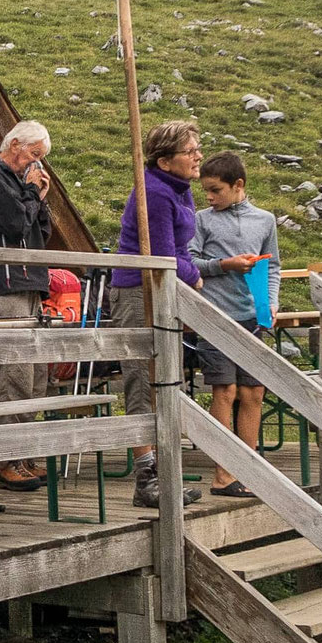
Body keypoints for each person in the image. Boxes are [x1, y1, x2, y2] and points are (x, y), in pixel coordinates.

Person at [105, 121, 206, 508]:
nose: (198, 156)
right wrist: (194, 278)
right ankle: (146, 477)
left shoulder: (180, 191)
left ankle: (166, 473)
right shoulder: (155, 194)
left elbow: (180, 251)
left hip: (162, 288)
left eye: (198, 148)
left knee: (167, 378)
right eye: (189, 151)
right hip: (137, 288)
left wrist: (192, 274)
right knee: (144, 380)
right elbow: (163, 254)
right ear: (165, 161)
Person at [0, 121, 54, 492]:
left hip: (28, 283)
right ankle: (8, 459)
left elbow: (39, 232)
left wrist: (39, 198)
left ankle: (24, 452)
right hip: (5, 286)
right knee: (15, 376)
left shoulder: (19, 185)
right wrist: (32, 192)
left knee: (34, 379)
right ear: (14, 145)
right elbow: (15, 223)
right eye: (34, 156)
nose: (35, 165)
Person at [190, 151, 282, 498]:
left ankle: (249, 469)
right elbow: (189, 262)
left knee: (253, 392)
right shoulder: (202, 220)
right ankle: (223, 473)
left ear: (238, 185)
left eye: (215, 190)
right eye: (206, 192)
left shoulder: (265, 220)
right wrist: (223, 265)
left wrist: (271, 301)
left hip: (251, 315)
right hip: (213, 316)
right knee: (224, 391)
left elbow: (272, 266)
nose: (210, 198)